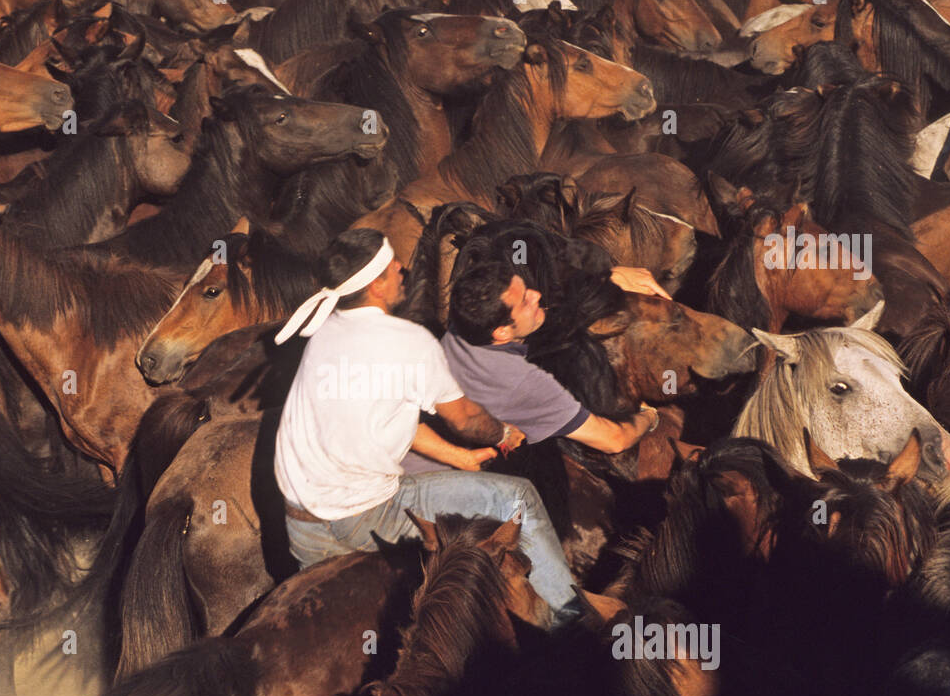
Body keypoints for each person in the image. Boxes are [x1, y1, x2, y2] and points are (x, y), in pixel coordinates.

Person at [273, 227, 581, 622]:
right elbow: (467, 418)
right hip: (365, 514)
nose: (403, 270)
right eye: (393, 267)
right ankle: (571, 621)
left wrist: (460, 457)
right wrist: (503, 432)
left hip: (301, 520)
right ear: (377, 287)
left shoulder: (324, 332)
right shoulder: (410, 340)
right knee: (518, 497)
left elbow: (383, 419)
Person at [402, 255, 662, 476]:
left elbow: (548, 310)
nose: (537, 295)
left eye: (527, 288)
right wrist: (649, 416)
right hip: (438, 486)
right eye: (526, 300)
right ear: (502, 332)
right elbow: (614, 440)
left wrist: (610, 277)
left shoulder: (465, 322)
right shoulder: (522, 383)